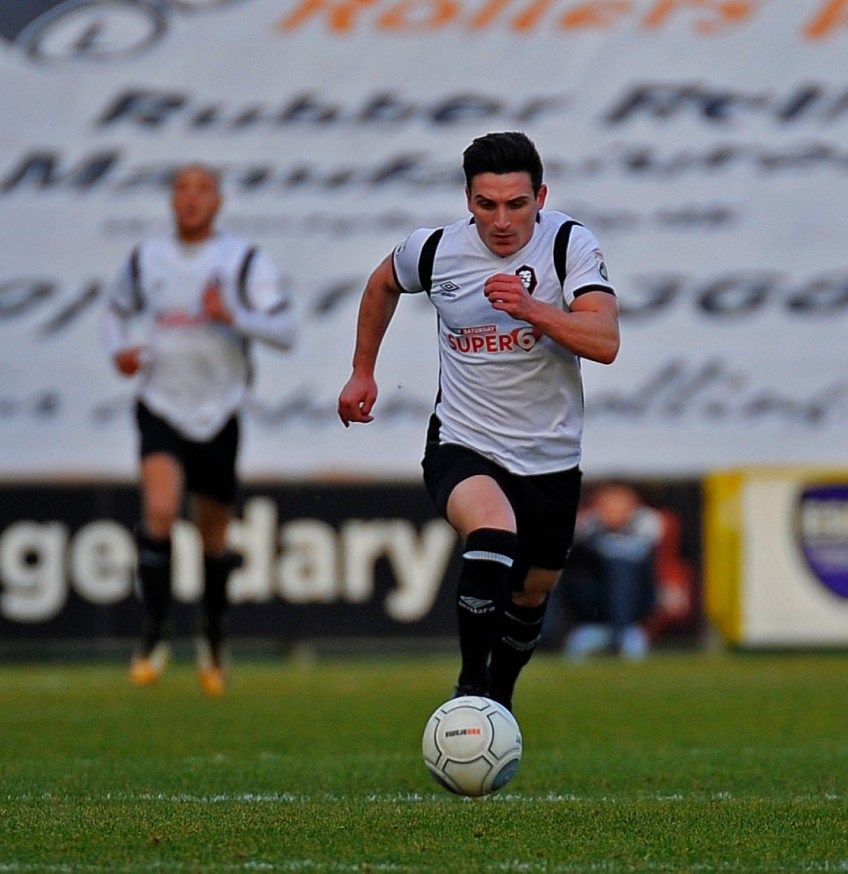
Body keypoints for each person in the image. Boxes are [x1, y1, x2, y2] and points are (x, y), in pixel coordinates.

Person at [337, 131, 620, 712]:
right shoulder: (436, 250)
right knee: (492, 531)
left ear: (541, 197)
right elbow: (382, 282)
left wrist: (534, 310)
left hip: (550, 456)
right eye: (487, 205)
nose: (502, 221)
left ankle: (500, 700)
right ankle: (470, 695)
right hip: (463, 442)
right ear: (468, 199)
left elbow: (605, 341)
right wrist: (362, 371)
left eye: (517, 204)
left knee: (532, 592)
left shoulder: (568, 244)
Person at [102, 163, 296, 696]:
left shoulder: (242, 260)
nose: (191, 199)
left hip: (217, 412)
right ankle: (154, 631)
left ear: (218, 201)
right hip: (161, 404)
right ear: (171, 201)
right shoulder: (147, 259)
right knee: (161, 510)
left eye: (202, 189)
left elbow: (284, 329)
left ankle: (212, 633)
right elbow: (113, 311)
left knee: (213, 536)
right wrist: (120, 350)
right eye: (182, 189)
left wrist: (232, 315)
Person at [560, 482, 663, 661]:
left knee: (622, 569)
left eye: (620, 504)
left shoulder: (648, 523)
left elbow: (635, 557)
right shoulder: (585, 526)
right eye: (608, 504)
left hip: (635, 609)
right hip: (593, 608)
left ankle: (620, 633)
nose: (613, 510)